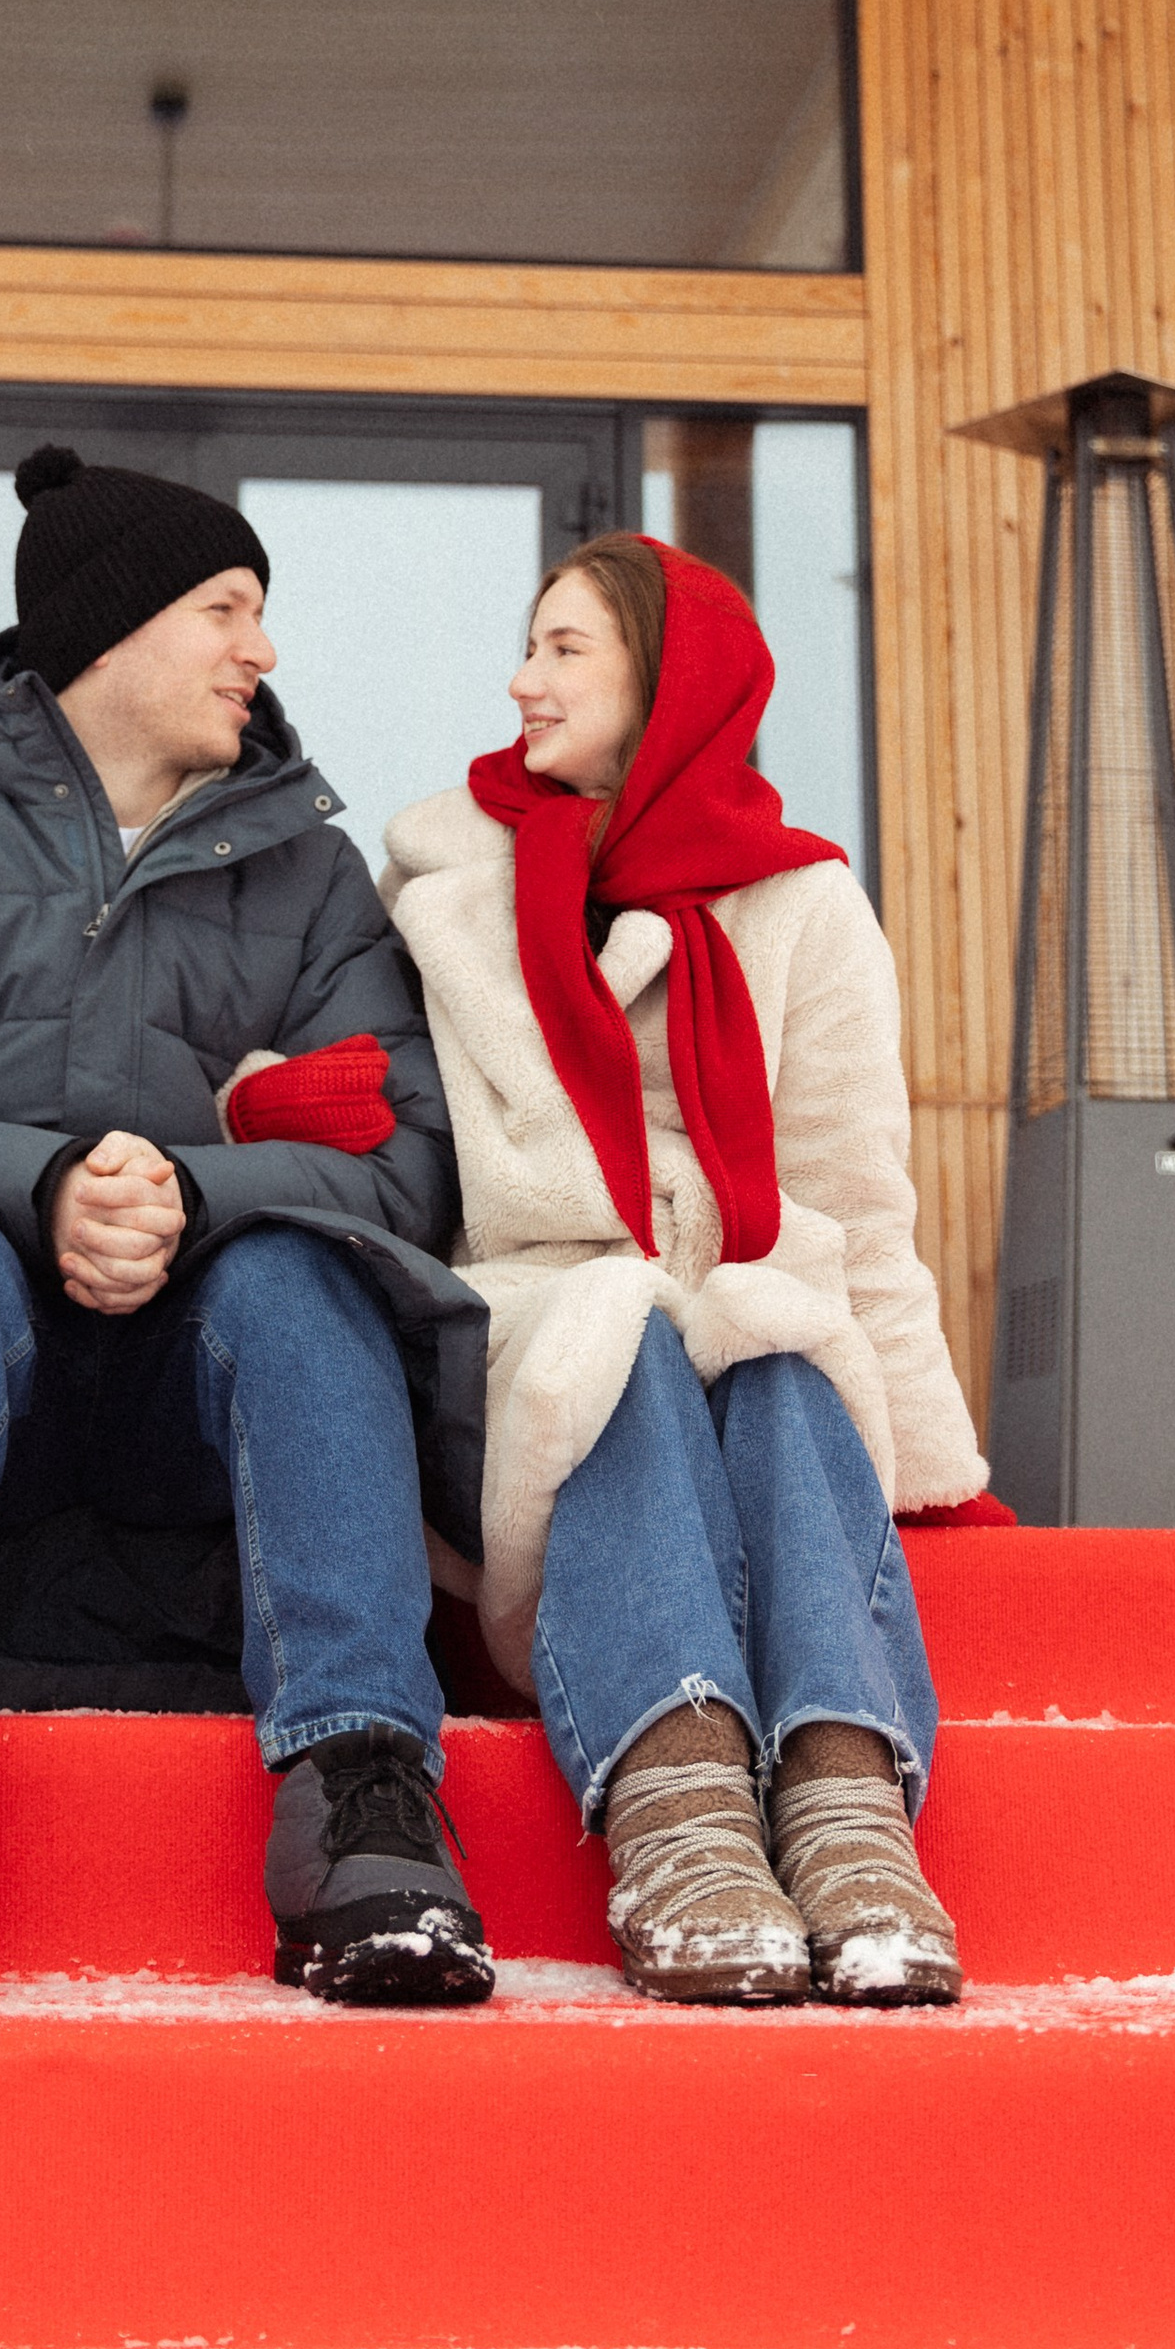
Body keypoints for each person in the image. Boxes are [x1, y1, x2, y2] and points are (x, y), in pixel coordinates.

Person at [0, 444, 494, 2011]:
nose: (263, 650)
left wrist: (195, 1198)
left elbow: (412, 1167)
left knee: (299, 1267)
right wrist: (44, 1183)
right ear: (108, 631)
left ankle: (367, 1790)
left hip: (209, 1438)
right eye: (228, 609)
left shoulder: (314, 885)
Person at [380, 532, 986, 2007]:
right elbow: (375, 1089)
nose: (523, 682)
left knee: (783, 1342)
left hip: (741, 1284)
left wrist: (933, 1468)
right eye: (527, 648)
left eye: (565, 648)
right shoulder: (435, 873)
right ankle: (682, 1806)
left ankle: (848, 1812)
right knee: (622, 1341)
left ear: (669, 673)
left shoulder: (800, 903)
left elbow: (856, 1195)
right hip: (532, 1301)